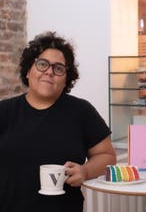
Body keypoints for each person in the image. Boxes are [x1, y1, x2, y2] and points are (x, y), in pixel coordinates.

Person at [0, 31, 117, 212]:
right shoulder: (4, 112)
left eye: (58, 68)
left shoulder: (81, 111)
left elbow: (107, 156)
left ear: (66, 80)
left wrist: (84, 171)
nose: (49, 72)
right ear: (28, 71)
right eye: (42, 64)